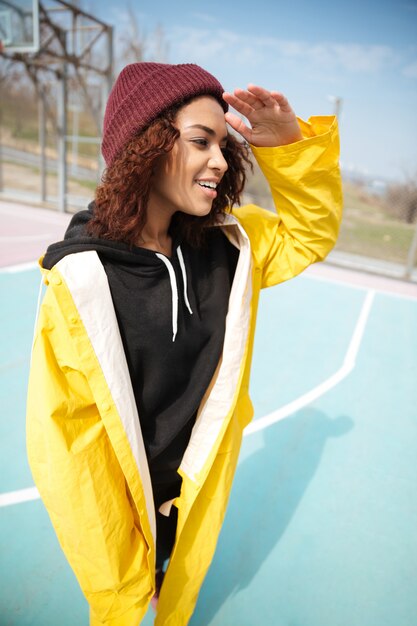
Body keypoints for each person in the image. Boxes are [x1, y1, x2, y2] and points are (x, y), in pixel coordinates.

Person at [26, 62, 342, 626]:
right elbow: (68, 448)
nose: (221, 161)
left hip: (194, 494)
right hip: (125, 507)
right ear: (146, 146)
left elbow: (309, 233)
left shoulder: (231, 247)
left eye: (225, 145)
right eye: (201, 141)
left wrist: (291, 148)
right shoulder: (81, 278)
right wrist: (116, 587)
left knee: (176, 585)